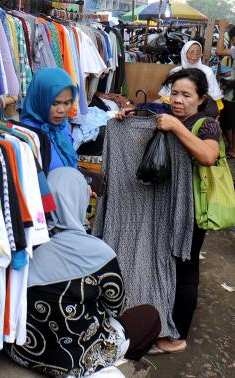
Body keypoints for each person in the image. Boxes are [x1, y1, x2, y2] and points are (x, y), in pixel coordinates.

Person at [6, 167, 161, 377]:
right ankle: (110, 366)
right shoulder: (99, 253)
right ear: (79, 200)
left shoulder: (23, 245)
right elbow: (117, 307)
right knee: (149, 317)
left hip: (24, 351)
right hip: (76, 359)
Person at [117, 68, 221, 353]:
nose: (178, 100)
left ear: (200, 99)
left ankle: (178, 336)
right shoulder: (161, 111)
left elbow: (209, 156)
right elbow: (141, 111)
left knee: (186, 268)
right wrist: (126, 114)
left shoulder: (207, 124)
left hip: (192, 210)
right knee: (165, 263)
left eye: (186, 95)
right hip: (163, 206)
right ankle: (163, 321)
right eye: (174, 93)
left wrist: (176, 126)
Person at [20, 67, 78, 173]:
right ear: (40, 100)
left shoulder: (63, 126)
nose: (61, 110)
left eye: (67, 103)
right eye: (55, 103)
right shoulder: (28, 134)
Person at [158, 41, 224, 118]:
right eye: (192, 52)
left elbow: (213, 95)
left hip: (200, 111)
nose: (195, 55)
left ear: (201, 54)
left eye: (198, 52)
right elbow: (167, 96)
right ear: (184, 53)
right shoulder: (175, 71)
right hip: (176, 111)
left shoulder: (207, 71)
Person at [215, 24, 235, 158]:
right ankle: (231, 146)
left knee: (231, 122)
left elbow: (218, 51)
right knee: (227, 121)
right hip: (230, 91)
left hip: (232, 93)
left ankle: (233, 149)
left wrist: (222, 30)